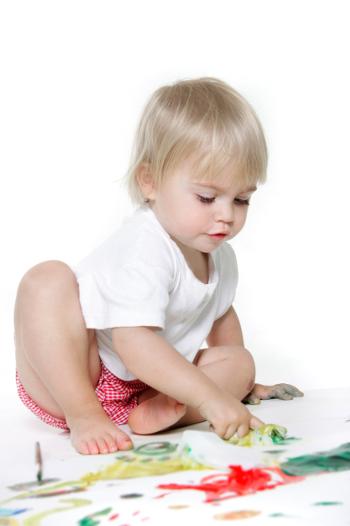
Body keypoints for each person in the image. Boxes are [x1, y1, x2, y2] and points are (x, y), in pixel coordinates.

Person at [14, 77, 303, 455]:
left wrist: (237, 385)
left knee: (239, 362)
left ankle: (160, 413)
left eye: (242, 199)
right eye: (207, 197)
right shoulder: (144, 246)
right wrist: (212, 398)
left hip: (153, 385)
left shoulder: (218, 253)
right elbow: (133, 343)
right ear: (150, 182)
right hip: (79, 373)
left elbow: (220, 318)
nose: (227, 216)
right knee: (46, 280)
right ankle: (85, 414)